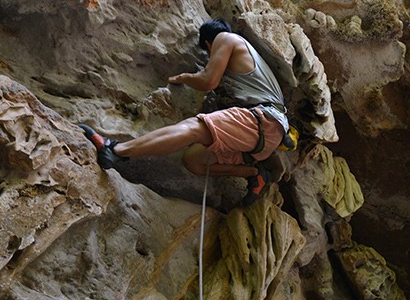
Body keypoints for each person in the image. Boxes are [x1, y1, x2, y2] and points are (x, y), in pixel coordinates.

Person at [79, 19, 290, 205]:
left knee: (192, 128)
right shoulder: (250, 69)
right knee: (193, 161)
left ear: (209, 44)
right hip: (264, 140)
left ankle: (115, 150)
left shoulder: (226, 38)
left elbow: (208, 80)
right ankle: (254, 174)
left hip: (262, 120)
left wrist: (183, 78)